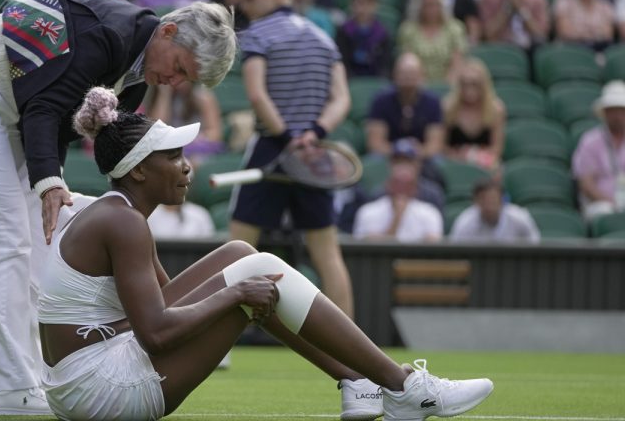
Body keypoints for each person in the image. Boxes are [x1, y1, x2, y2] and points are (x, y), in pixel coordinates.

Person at [37, 85, 494, 421]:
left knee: (240, 253)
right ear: (137, 172)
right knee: (253, 273)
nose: (187, 165)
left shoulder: (119, 212)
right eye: (173, 156)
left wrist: (239, 291)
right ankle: (406, 386)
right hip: (98, 394)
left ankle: (359, 381)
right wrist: (235, 294)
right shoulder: (123, 221)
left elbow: (167, 301)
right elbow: (157, 332)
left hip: (82, 379)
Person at [0, 0, 236, 414]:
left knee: (45, 238)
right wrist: (49, 184)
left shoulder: (139, 72)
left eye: (186, 80)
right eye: (179, 68)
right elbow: (45, 108)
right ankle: (7, 389)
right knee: (5, 242)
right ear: (168, 31)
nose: (176, 83)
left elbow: (80, 131)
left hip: (13, 110)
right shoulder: (108, 36)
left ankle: (40, 378)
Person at [227, 0, 356, 326]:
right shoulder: (323, 38)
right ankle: (353, 349)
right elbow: (342, 99)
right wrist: (314, 133)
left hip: (273, 146)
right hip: (314, 152)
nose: (245, 3)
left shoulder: (257, 34)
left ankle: (217, 343)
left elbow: (257, 94)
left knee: (236, 250)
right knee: (328, 254)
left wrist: (287, 137)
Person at [365, 52, 445, 160]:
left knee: (438, 160)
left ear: (422, 75)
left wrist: (417, 152)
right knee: (374, 159)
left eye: (412, 73)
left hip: (422, 156)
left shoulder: (433, 102)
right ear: (394, 75)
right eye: (403, 73)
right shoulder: (381, 100)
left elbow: (435, 145)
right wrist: (398, 150)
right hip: (389, 155)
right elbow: (375, 143)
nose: (408, 77)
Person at [352, 158, 443, 242]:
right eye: (398, 184)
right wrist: (396, 219)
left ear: (415, 189)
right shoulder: (368, 212)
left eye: (407, 185)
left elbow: (433, 247)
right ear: (388, 185)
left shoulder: (430, 213)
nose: (401, 190)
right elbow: (369, 249)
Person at [572, 80, 625, 221]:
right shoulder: (590, 141)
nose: (617, 116)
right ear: (605, 113)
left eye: (621, 110)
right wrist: (613, 204)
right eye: (613, 110)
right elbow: (586, 184)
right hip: (600, 204)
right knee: (604, 211)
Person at [441, 57, 505, 172]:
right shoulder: (448, 107)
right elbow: (441, 146)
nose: (469, 89)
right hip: (453, 162)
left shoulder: (496, 110)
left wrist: (473, 155)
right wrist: (457, 156)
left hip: (485, 163)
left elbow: (496, 149)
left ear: (484, 85)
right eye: (465, 84)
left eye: (474, 84)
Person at [145, 82, 225, 168]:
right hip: (171, 148)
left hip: (196, 148)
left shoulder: (202, 97)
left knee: (191, 162)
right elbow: (156, 129)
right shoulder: (161, 99)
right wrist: (164, 94)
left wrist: (191, 138)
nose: (177, 80)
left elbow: (215, 134)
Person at [398, 0, 468, 82]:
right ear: (419, 6)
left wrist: (444, 87)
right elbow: (408, 62)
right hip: (417, 86)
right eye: (427, 5)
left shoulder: (455, 29)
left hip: (449, 84)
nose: (431, 9)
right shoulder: (408, 30)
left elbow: (458, 63)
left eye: (435, 5)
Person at [449, 177, 539, 242]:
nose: (489, 203)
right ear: (475, 201)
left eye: (493, 198)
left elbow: (535, 245)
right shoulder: (465, 222)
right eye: (484, 199)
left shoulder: (520, 218)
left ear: (502, 200)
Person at [334, 0, 392, 78]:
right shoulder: (344, 32)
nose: (361, 9)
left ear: (374, 4)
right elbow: (342, 63)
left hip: (375, 80)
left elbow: (385, 67)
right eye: (358, 3)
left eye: (366, 3)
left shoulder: (383, 33)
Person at [478, 0, 549, 51]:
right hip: (501, 47)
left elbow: (540, 34)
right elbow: (488, 33)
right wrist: (507, 9)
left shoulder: (537, 0)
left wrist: (521, 10)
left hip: (529, 49)